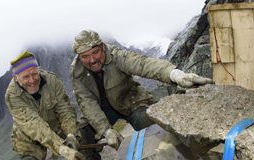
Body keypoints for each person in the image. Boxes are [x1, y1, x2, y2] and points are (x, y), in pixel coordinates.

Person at [69, 30, 214, 151]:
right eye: (85, 57)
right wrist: (106, 131)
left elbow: (143, 64)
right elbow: (87, 103)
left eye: (95, 53)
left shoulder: (116, 56)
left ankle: (172, 157)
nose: (92, 60)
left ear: (102, 47)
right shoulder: (76, 72)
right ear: (79, 57)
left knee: (150, 125)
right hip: (101, 111)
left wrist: (175, 75)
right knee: (82, 138)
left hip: (131, 102)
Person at [5, 50, 105, 160]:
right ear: (15, 78)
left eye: (34, 74)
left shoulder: (51, 80)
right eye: (26, 77)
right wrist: (62, 149)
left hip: (56, 126)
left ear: (38, 70)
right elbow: (34, 125)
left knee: (82, 146)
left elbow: (65, 110)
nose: (32, 80)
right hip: (27, 136)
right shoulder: (12, 95)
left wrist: (71, 134)